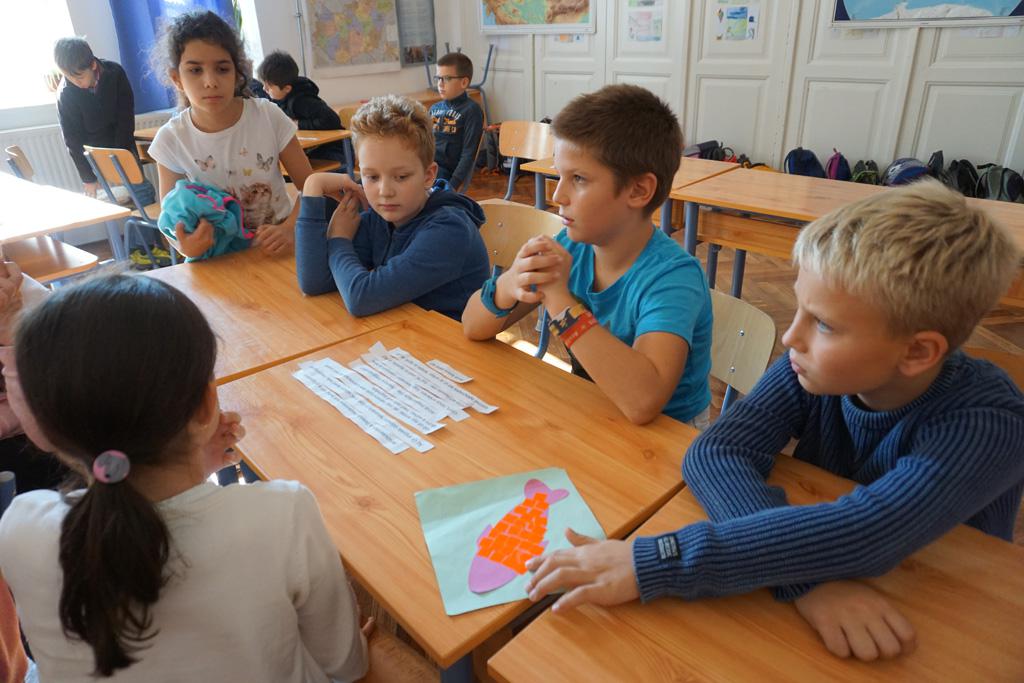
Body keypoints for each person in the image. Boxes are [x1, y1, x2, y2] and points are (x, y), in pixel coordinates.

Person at [523, 181, 1024, 663]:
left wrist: (651, 560)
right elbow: (716, 452)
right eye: (799, 307)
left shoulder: (989, 424)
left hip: (946, 619)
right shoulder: (813, 366)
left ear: (917, 352)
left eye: (823, 323)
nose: (790, 337)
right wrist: (807, 581)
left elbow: (870, 532)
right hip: (840, 594)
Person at [0, 274, 368, 681]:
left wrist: (193, 470)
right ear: (208, 405)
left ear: (42, 429)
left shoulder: (19, 526)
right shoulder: (283, 513)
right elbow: (344, 665)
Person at [461, 84, 712, 427]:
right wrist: (510, 282)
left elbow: (643, 402)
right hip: (596, 413)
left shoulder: (673, 278)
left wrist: (560, 302)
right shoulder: (571, 246)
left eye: (578, 179)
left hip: (672, 438)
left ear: (639, 190)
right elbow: (472, 326)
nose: (558, 195)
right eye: (559, 175)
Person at [296, 95, 489, 321]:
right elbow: (315, 282)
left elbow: (361, 298)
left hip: (449, 341)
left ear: (428, 175)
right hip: (402, 332)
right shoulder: (381, 216)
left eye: (401, 177)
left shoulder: (450, 230)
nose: (385, 191)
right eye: (372, 177)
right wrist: (312, 187)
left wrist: (339, 239)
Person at [147, 11, 312, 258]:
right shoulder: (171, 140)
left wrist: (290, 228)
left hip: (279, 252)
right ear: (176, 79)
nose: (210, 81)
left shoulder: (268, 116)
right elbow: (171, 223)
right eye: (195, 70)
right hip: (218, 260)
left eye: (222, 69)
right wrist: (186, 246)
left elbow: (311, 187)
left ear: (237, 72)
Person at [53, 37, 156, 206]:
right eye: (69, 78)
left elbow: (125, 118)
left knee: (142, 192)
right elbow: (72, 140)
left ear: (93, 65)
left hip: (123, 145)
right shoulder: (65, 94)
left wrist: (120, 154)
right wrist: (88, 178)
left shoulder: (115, 73)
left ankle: (145, 219)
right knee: (132, 195)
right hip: (95, 152)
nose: (76, 83)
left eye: (80, 77)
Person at [256, 51, 347, 170]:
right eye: (264, 84)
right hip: (313, 148)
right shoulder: (279, 99)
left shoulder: (302, 100)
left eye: (269, 86)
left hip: (334, 150)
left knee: (293, 165)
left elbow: (332, 120)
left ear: (287, 88)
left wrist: (298, 124)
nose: (264, 89)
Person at [429, 52, 483, 192]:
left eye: (446, 78)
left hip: (444, 174)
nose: (440, 84)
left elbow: (468, 154)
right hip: (425, 166)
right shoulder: (434, 109)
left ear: (464, 82)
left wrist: (452, 185)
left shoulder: (471, 110)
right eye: (438, 78)